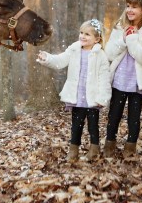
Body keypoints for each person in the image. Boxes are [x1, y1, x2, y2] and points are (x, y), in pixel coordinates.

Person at [37, 19, 111, 162]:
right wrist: (47, 58)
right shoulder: (74, 50)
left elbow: (104, 79)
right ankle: (73, 151)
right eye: (81, 33)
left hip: (93, 98)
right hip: (77, 98)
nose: (83, 36)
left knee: (93, 126)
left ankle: (94, 150)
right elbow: (59, 61)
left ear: (97, 39)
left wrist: (103, 98)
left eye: (87, 34)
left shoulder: (100, 55)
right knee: (76, 126)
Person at [104, 0, 142, 158]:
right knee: (114, 114)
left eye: (134, 7)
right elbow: (109, 53)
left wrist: (132, 40)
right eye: (128, 6)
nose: (129, 10)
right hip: (119, 79)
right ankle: (109, 144)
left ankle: (130, 148)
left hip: (137, 81)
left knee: (134, 116)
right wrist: (123, 40)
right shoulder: (119, 27)